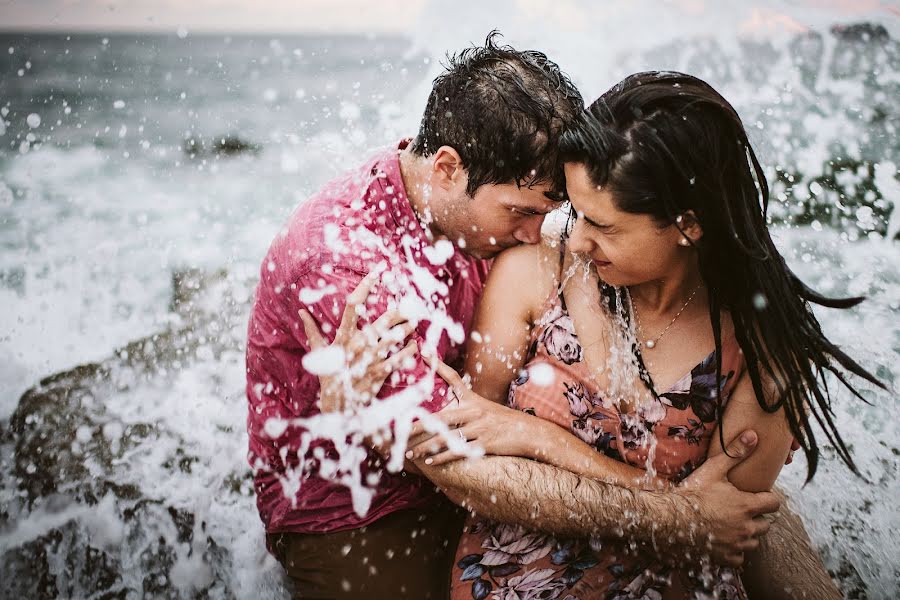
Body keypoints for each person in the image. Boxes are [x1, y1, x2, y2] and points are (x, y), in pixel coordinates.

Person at [247, 35, 815, 599]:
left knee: (764, 515)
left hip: (494, 477)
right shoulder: (347, 264)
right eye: (521, 213)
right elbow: (448, 454)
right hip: (359, 507)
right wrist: (680, 513)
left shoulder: (487, 209)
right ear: (446, 168)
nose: (539, 234)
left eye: (552, 212)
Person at [390, 71, 878, 598]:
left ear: (687, 225)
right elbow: (468, 459)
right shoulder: (535, 272)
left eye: (603, 226)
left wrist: (542, 439)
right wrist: (673, 510)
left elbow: (718, 528)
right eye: (575, 213)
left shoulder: (762, 354)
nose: (575, 240)